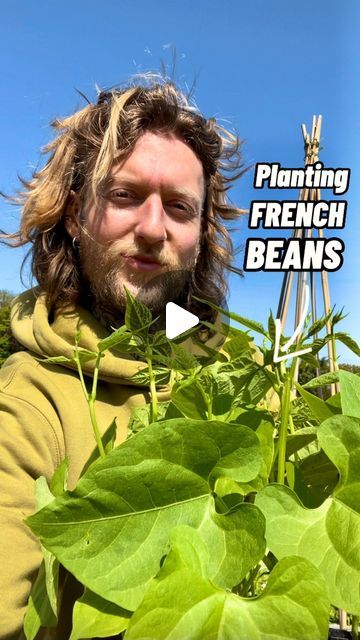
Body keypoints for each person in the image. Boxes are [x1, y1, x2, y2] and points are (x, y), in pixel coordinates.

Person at [0, 79, 245, 638]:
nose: (153, 229)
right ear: (71, 214)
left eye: (179, 208)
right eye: (125, 195)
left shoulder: (235, 375)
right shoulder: (29, 408)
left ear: (201, 237)